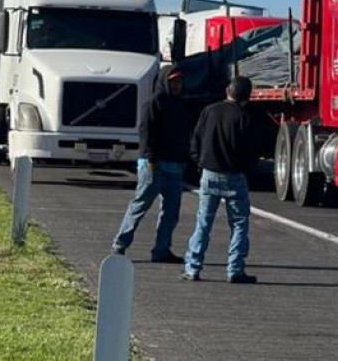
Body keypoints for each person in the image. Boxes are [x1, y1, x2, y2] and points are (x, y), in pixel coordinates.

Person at [181, 76, 260, 284]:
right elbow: (252, 151)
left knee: (204, 221)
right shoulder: (244, 117)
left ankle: (193, 267)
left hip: (209, 173)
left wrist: (200, 161)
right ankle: (235, 268)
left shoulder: (210, 111)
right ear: (247, 96)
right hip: (234, 175)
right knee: (240, 223)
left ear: (228, 90)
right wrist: (246, 170)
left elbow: (195, 139)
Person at [111, 65, 193, 262]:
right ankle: (120, 244)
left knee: (171, 212)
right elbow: (145, 132)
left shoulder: (182, 105)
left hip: (175, 165)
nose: (176, 85)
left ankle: (162, 249)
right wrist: (149, 159)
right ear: (164, 81)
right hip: (153, 164)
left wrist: (186, 158)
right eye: (172, 81)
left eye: (179, 81)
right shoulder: (153, 103)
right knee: (140, 205)